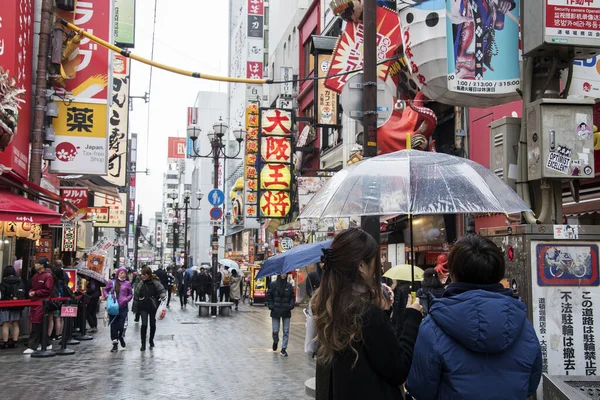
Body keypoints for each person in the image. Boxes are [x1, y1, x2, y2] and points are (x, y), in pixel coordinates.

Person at [406, 234, 542, 400]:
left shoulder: (433, 327)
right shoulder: (523, 326)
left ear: (453, 274)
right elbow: (531, 384)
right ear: (499, 273)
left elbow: (420, 389)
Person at [312, 228, 423, 400]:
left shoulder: (328, 305)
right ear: (362, 266)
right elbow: (398, 369)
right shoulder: (367, 314)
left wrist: (384, 313)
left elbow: (370, 354)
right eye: (375, 260)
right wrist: (412, 319)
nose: (377, 266)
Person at [23, 257, 55, 354]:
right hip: (35, 301)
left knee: (37, 323)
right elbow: (33, 287)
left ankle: (33, 345)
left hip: (42, 302)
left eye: (37, 263)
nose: (35, 265)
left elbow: (48, 290)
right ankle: (46, 342)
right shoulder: (36, 276)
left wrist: (35, 293)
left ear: (42, 265)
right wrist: (31, 292)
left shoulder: (48, 276)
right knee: (38, 323)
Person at [134, 266, 166, 351]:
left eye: (144, 274)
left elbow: (162, 291)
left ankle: (151, 340)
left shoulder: (155, 282)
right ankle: (143, 344)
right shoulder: (141, 283)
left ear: (148, 274)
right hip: (143, 306)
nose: (142, 276)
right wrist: (135, 307)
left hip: (153, 306)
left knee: (152, 324)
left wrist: (162, 296)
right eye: (142, 274)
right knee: (144, 325)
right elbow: (136, 294)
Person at [103, 267, 133, 353]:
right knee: (113, 325)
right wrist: (107, 296)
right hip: (113, 307)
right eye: (121, 273)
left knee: (121, 325)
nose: (123, 275)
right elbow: (105, 290)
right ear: (118, 273)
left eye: (124, 273)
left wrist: (126, 299)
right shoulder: (112, 283)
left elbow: (130, 294)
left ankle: (121, 336)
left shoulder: (127, 284)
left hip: (123, 307)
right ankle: (115, 343)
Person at [266, 273, 295, 357]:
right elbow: (269, 296)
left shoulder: (289, 286)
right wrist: (271, 306)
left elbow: (292, 297)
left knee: (286, 331)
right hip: (276, 311)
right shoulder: (273, 285)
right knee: (275, 330)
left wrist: (291, 305)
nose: (284, 275)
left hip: (286, 311)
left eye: (285, 273)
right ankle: (275, 341)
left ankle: (283, 349)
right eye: (282, 273)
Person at [0, 266, 25, 348]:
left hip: (5, 304)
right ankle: (15, 342)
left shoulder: (4, 281)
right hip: (16, 304)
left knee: (5, 324)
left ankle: (5, 343)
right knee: (15, 323)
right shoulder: (19, 281)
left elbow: (2, 294)